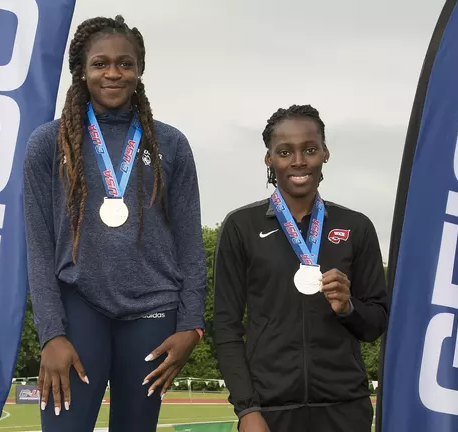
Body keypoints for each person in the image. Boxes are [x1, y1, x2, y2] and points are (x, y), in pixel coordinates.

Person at [22, 15, 207, 432]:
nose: (113, 73)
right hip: (78, 307)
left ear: (139, 71)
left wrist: (191, 326)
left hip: (154, 313)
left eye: (125, 64)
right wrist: (51, 333)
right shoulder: (48, 144)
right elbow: (37, 244)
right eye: (100, 63)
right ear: (81, 72)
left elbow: (190, 245)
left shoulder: (171, 143)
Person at [213, 105, 389, 432]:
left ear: (325, 153)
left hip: (344, 410)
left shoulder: (356, 226)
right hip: (270, 411)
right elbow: (226, 326)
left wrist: (348, 308)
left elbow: (376, 323)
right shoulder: (241, 226)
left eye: (309, 149)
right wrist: (247, 410)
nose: (298, 161)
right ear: (269, 158)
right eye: (284, 151)